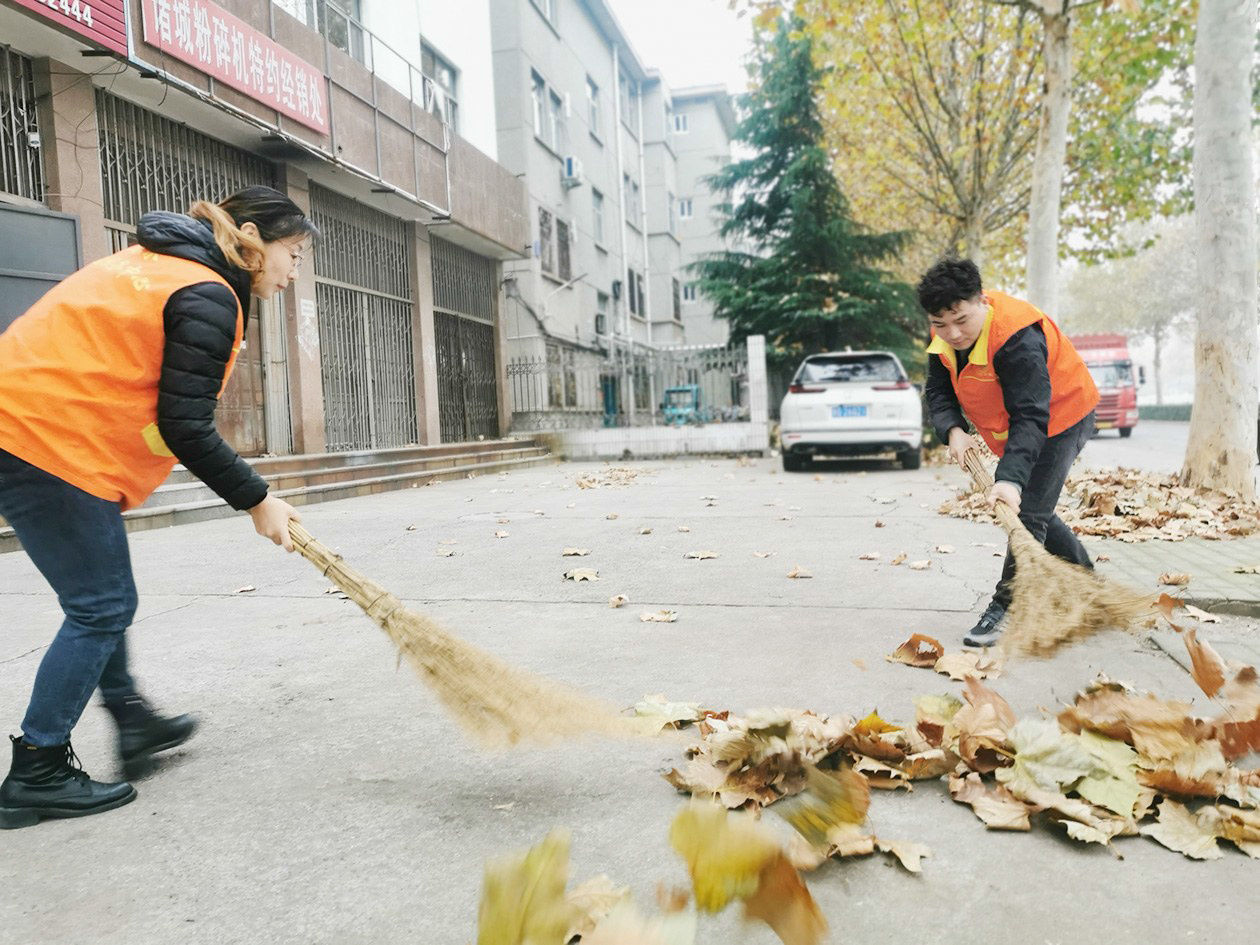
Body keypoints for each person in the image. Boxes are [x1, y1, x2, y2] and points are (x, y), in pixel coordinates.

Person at [0, 186, 316, 829]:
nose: (293, 271)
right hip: (46, 441)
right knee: (103, 606)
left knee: (101, 595)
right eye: (292, 252)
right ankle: (38, 767)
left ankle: (131, 719)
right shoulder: (205, 291)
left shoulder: (159, 265)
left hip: (37, 432)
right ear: (252, 240)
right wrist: (257, 500)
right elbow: (185, 424)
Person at [919, 258, 1099, 647]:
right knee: (1038, 510)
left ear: (981, 300)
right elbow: (937, 388)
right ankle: (1088, 582)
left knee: (1028, 511)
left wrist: (1011, 480)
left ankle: (1005, 607)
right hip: (1022, 426)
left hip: (1062, 416)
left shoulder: (1017, 338)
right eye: (940, 324)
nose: (952, 333)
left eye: (962, 321)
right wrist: (953, 430)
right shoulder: (942, 334)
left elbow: (1032, 416)